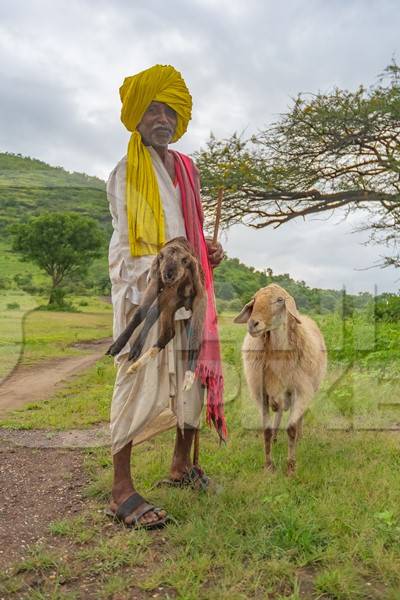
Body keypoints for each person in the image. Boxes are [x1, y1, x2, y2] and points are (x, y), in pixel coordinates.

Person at [106, 64, 227, 528]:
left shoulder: (186, 172)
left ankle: (181, 467)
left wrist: (207, 253)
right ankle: (121, 492)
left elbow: (189, 237)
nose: (163, 119)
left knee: (194, 378)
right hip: (146, 296)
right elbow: (127, 245)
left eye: (170, 112)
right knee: (135, 378)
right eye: (153, 110)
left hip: (190, 295)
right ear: (137, 119)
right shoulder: (126, 173)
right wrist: (158, 284)